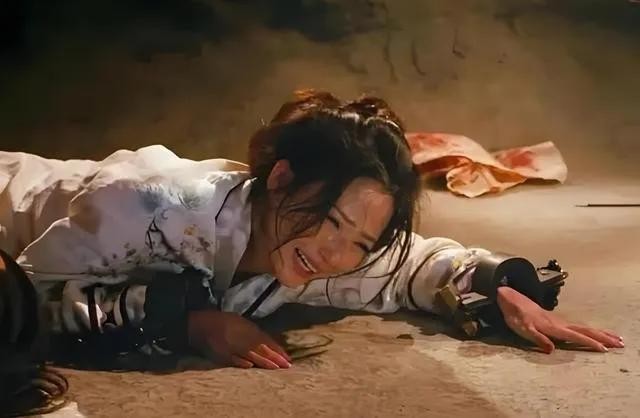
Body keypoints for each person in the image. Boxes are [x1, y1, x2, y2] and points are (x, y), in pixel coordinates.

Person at [0, 90, 623, 375]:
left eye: (359, 242)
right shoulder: (150, 203)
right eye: (331, 221)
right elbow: (26, 300)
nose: (334, 254)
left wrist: (498, 286)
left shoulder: (317, 253)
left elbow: (412, 264)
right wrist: (184, 321)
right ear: (281, 179)